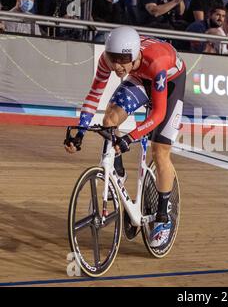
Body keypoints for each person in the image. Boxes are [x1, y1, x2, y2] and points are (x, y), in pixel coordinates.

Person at [64, 26, 186, 248]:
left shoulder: (155, 62)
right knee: (110, 120)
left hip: (169, 79)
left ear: (135, 54)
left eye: (123, 60)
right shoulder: (107, 60)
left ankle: (162, 217)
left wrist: (130, 138)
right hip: (140, 76)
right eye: (114, 59)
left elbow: (158, 114)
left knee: (160, 152)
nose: (118, 66)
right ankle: (117, 173)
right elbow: (94, 95)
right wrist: (80, 131)